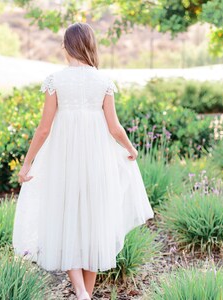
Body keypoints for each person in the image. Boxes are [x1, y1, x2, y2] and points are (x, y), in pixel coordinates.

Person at [12, 22, 154, 300]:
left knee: (67, 219)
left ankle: (81, 292)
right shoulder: (103, 81)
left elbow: (44, 128)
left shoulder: (56, 80)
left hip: (63, 160)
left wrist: (28, 162)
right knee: (94, 221)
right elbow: (115, 128)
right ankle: (84, 292)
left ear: (67, 46)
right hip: (96, 161)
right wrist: (130, 148)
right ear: (90, 45)